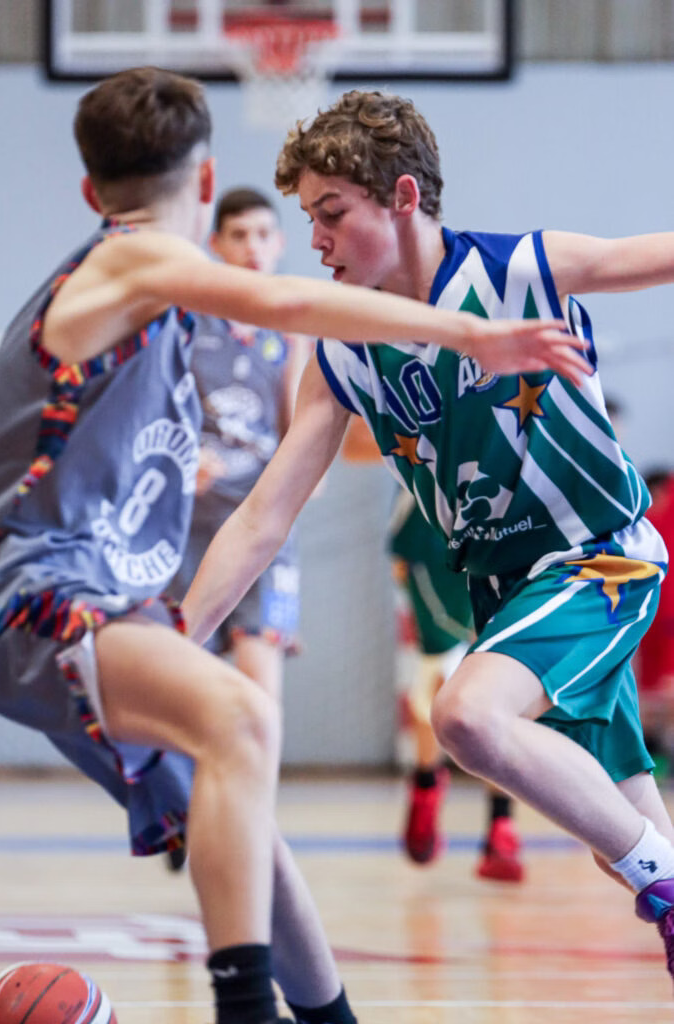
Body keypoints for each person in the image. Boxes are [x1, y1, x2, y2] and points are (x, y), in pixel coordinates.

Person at [0, 70, 577, 1024]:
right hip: (34, 593)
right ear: (206, 179)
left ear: (90, 187)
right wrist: (470, 333)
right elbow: (295, 307)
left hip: (90, 597)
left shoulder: (136, 291)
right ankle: (246, 1010)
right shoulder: (133, 259)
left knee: (240, 815)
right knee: (243, 721)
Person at [180, 89, 674, 986]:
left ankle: (665, 885)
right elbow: (264, 515)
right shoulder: (342, 348)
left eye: (332, 213)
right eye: (308, 218)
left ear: (402, 197)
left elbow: (647, 255)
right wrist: (178, 641)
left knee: (464, 717)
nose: (315, 239)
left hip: (598, 559)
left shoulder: (523, 268)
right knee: (625, 839)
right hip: (505, 595)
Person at [165, 187, 309, 871]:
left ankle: (252, 826)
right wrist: (177, 456)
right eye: (239, 235)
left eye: (263, 235)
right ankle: (182, 806)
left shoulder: (293, 330)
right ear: (215, 245)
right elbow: (150, 414)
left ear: (278, 244)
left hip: (261, 527)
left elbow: (299, 432)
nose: (252, 248)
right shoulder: (185, 321)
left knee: (259, 683)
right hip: (188, 525)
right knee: (184, 681)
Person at [343, 419, 524, 879]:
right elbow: (354, 445)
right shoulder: (414, 382)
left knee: (504, 680)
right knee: (439, 675)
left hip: (509, 533)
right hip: (431, 540)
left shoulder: (525, 385)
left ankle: (501, 824)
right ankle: (426, 781)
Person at [637, 468, 674, 779]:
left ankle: (653, 753)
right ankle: (653, 753)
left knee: (661, 689)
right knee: (656, 690)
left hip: (658, 615)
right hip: (655, 616)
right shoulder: (654, 521)